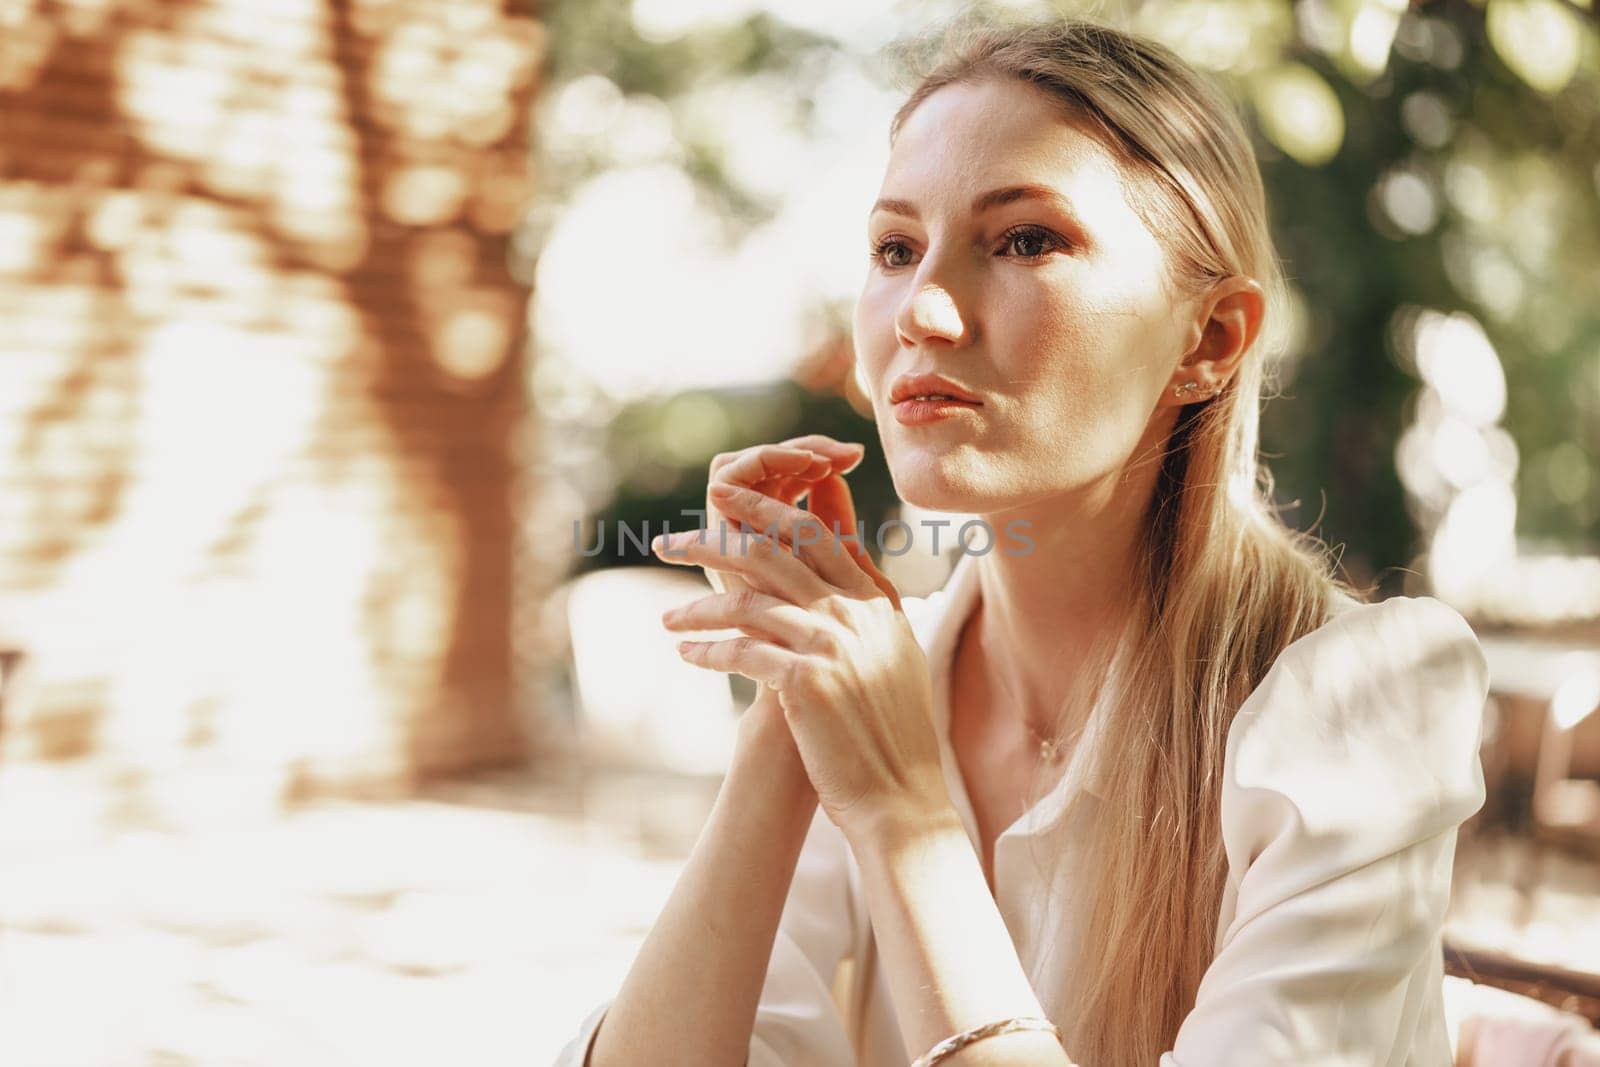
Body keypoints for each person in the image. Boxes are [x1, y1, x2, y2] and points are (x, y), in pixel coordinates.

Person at [555, 15, 1489, 1067]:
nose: (926, 311)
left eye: (1025, 239)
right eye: (895, 249)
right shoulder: (875, 685)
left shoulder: (1361, 700)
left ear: (1209, 338)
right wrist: (784, 740)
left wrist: (903, 808)